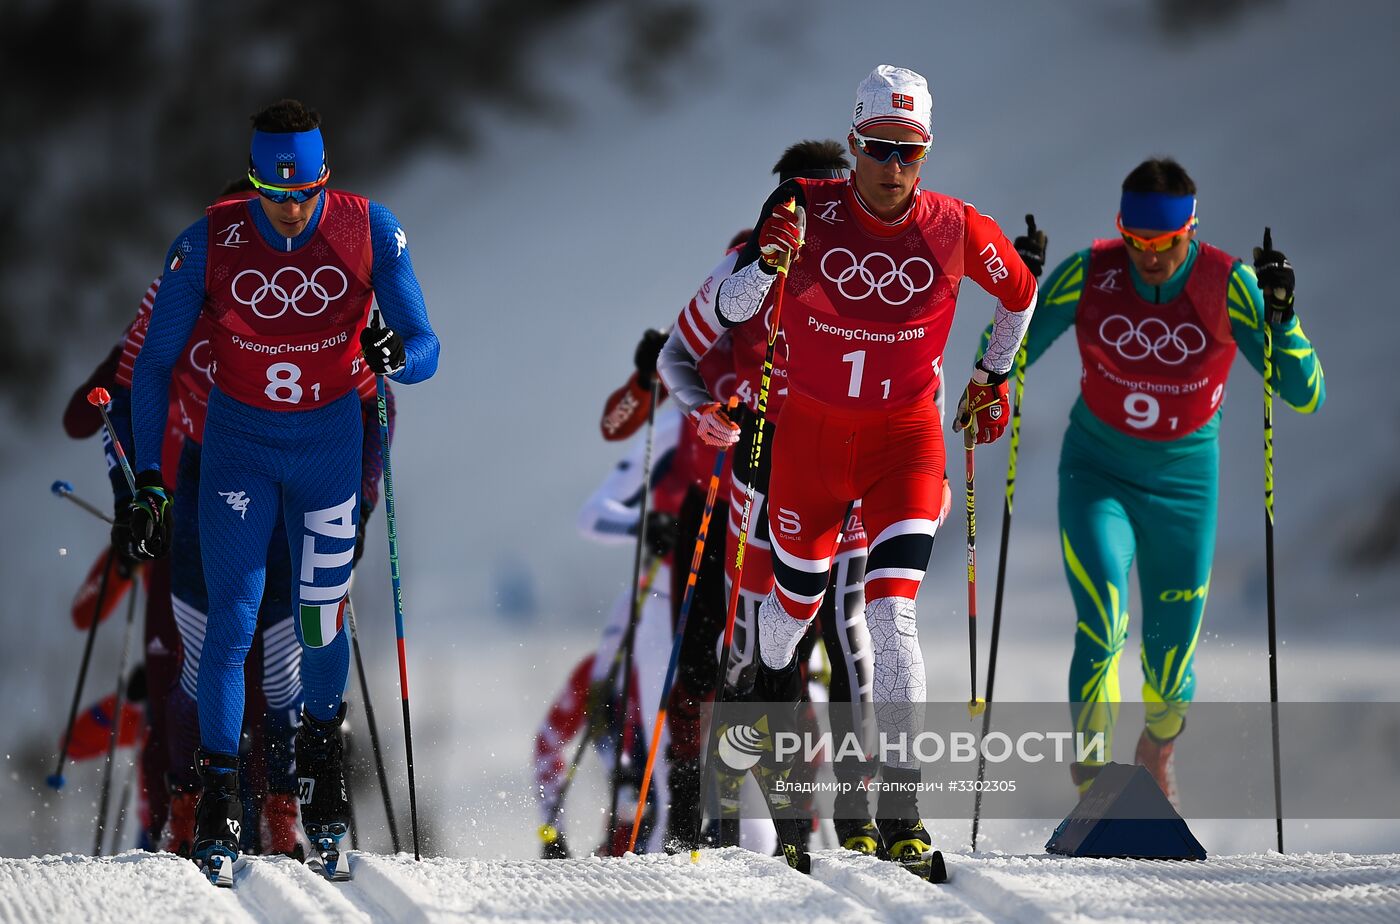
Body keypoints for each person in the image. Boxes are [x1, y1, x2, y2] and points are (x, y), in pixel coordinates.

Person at [664, 65, 1038, 865]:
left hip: (904, 443)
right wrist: (766, 266)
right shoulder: (798, 208)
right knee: (782, 630)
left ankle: (896, 812)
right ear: (855, 141)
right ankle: (767, 789)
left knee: (883, 619)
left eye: (909, 152)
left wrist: (992, 374)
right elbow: (717, 317)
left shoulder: (956, 226)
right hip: (804, 450)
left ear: (927, 152)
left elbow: (1022, 292)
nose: (892, 168)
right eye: (877, 148)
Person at [127, 99, 439, 881]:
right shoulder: (208, 243)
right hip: (237, 453)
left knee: (318, 620)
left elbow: (429, 347)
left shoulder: (368, 228)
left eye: (305, 194)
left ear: (326, 180)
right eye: (275, 195)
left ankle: (323, 773)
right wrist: (151, 483)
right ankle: (221, 801)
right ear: (255, 186)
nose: (292, 211)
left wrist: (396, 351)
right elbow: (152, 366)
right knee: (231, 624)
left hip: (328, 451)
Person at [992, 157, 1324, 803]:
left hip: (1183, 488)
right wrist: (1018, 295)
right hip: (1098, 473)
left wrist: (1285, 322)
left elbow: (1304, 394)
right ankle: (1093, 782)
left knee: (1168, 669)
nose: (1148, 257)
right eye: (1136, 241)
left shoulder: (1229, 284)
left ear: (1189, 230)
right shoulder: (1092, 270)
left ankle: (1157, 747)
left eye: (1164, 244)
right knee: (1103, 622)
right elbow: (1007, 354)